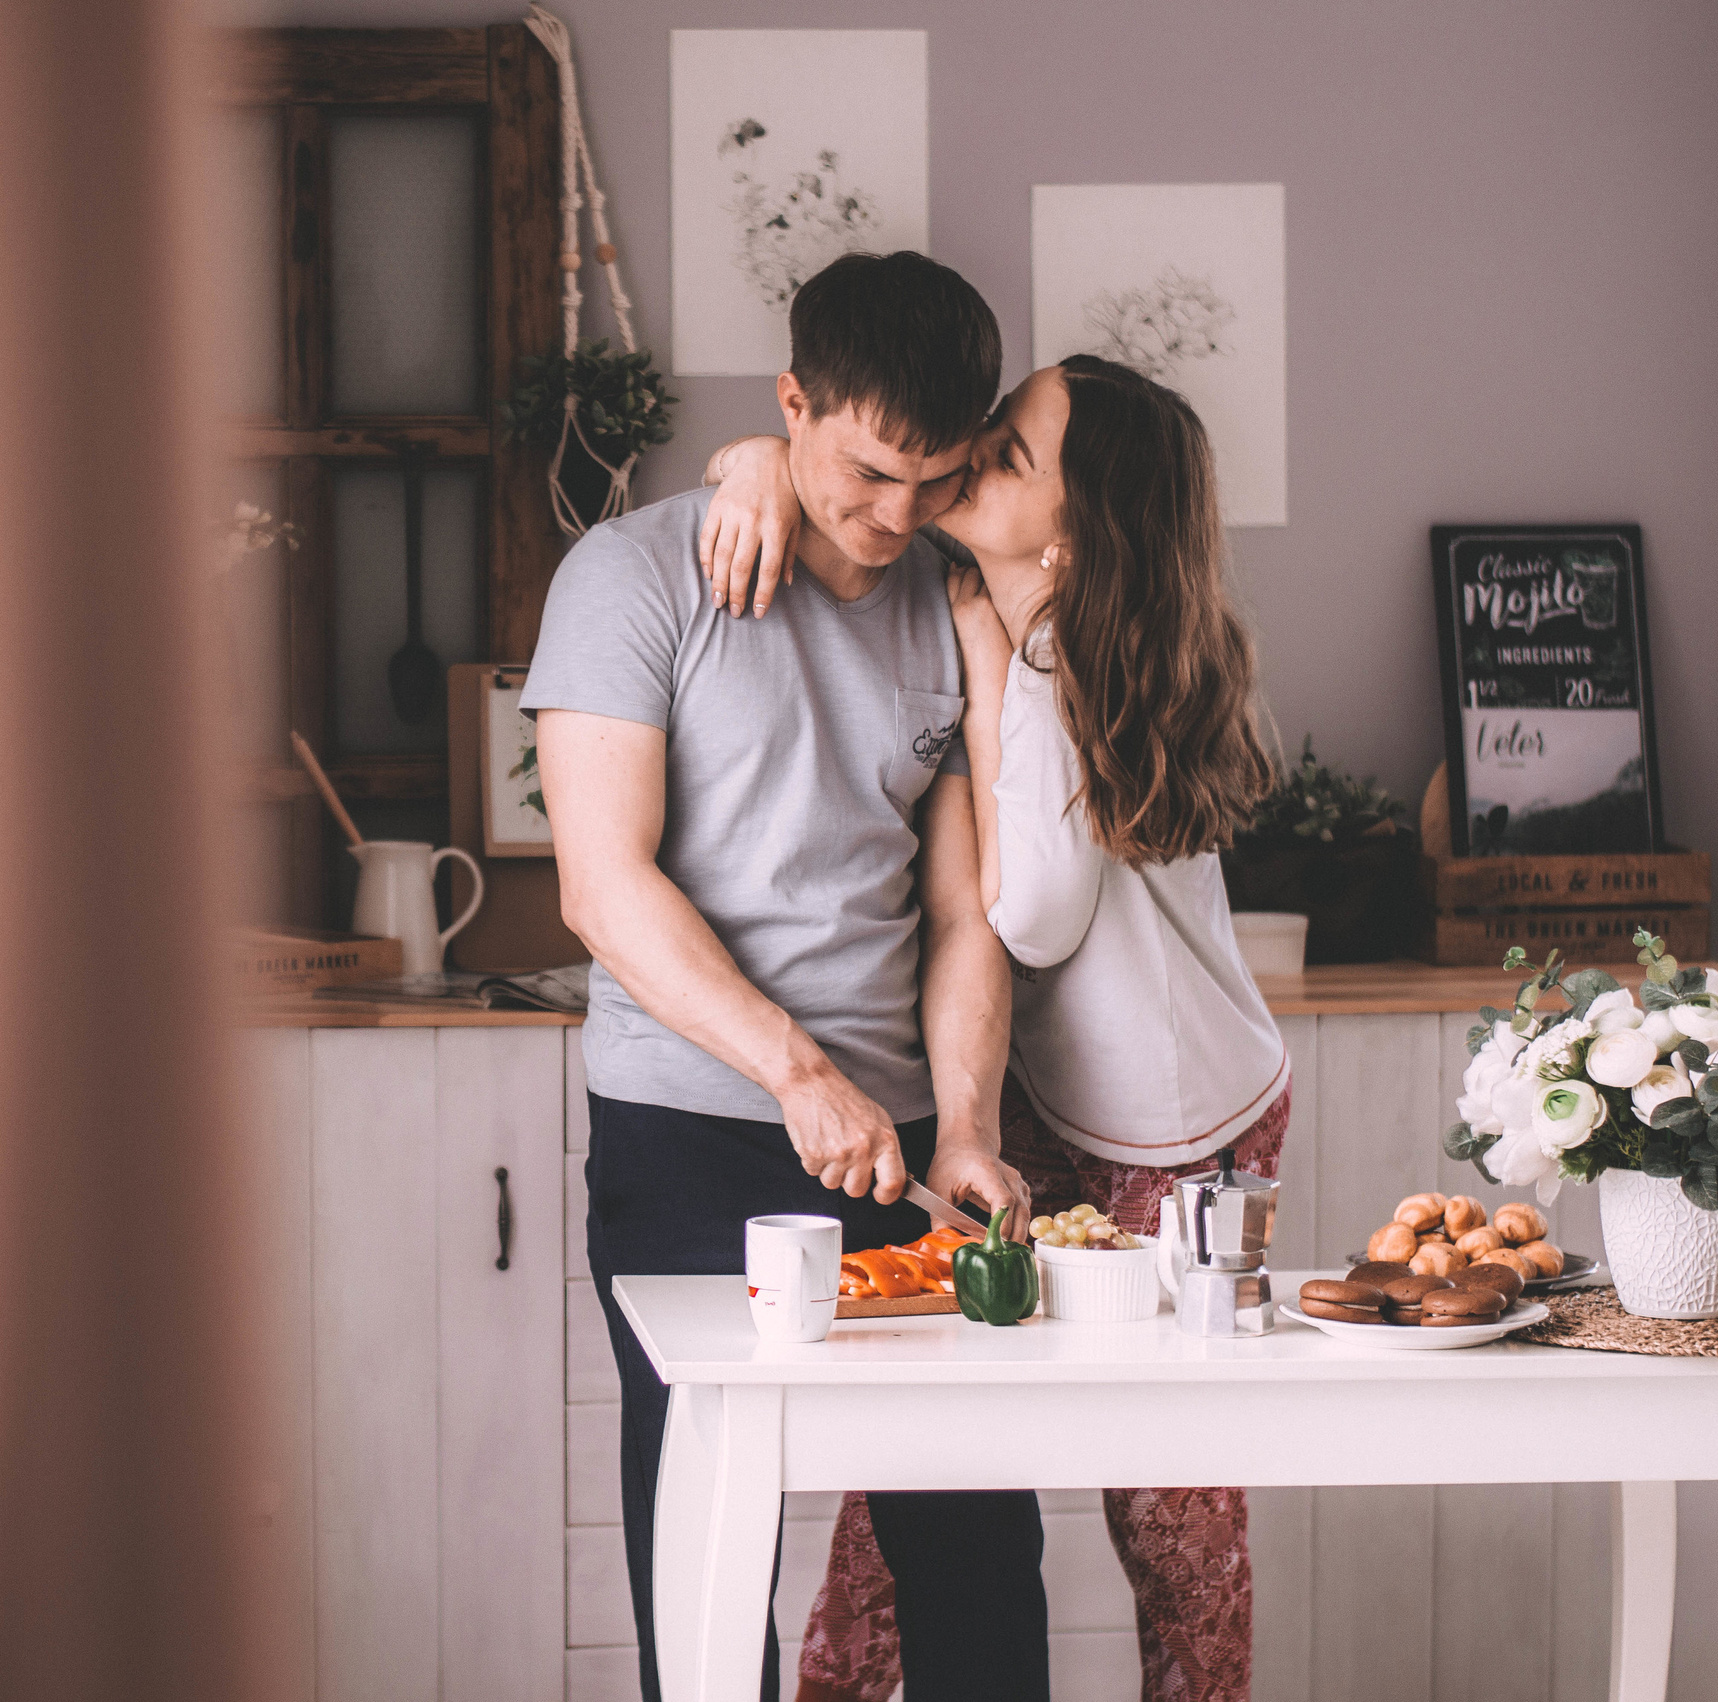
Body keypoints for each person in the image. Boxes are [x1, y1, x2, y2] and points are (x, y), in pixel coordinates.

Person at [702, 354, 1289, 1702]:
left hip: (1182, 1127)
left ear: (1073, 539)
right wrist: (744, 462)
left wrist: (988, 669)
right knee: (909, 1449)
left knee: (1174, 1510)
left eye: (1009, 454)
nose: (970, 455)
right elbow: (818, 457)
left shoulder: (1049, 655)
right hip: (1038, 1100)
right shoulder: (976, 586)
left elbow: (1028, 917)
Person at [522, 250, 1051, 1702]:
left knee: (978, 1554)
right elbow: (602, 883)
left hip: (902, 1143)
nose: (897, 519)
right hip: (687, 1129)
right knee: (708, 1535)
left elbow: (963, 916)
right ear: (793, 405)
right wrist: (796, 1069)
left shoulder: (951, 609)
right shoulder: (630, 577)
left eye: (934, 481)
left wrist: (975, 1127)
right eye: (871, 471)